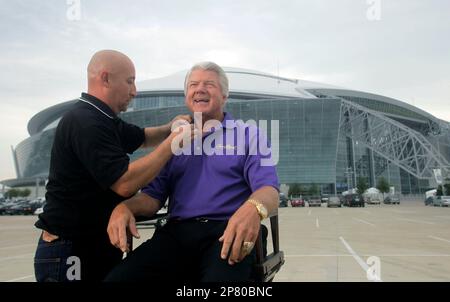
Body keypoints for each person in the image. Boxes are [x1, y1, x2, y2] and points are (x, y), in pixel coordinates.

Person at [104, 61, 279, 282]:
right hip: (177, 234)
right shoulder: (175, 141)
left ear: (225, 96)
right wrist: (124, 207)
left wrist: (253, 209)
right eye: (193, 85)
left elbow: (269, 190)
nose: (200, 89)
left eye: (209, 84)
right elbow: (152, 197)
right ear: (187, 96)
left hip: (228, 232)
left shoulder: (249, 135)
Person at [34, 50, 193, 282]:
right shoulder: (85, 122)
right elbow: (125, 184)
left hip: (94, 245)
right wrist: (172, 143)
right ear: (106, 78)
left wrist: (171, 128)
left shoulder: (103, 118)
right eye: (130, 81)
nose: (134, 91)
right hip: (71, 250)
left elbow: (145, 137)